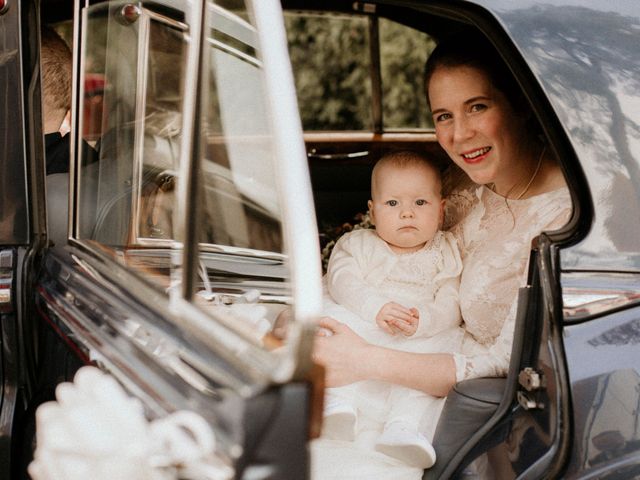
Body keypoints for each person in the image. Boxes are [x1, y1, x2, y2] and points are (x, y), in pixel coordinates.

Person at [312, 32, 572, 478]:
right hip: (388, 344)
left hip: (460, 409)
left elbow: (506, 363)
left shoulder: (564, 219)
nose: (459, 133)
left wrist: (365, 360)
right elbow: (393, 253)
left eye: (477, 107)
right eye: (443, 115)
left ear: (521, 104)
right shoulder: (459, 186)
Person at [321, 151, 463, 468]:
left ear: (441, 211)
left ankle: (404, 428)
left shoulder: (445, 249)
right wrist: (375, 307)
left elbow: (451, 299)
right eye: (393, 204)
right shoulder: (357, 244)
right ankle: (337, 404)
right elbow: (342, 281)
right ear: (372, 211)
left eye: (420, 203)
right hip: (365, 319)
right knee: (334, 326)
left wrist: (425, 321)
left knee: (434, 358)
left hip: (416, 332)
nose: (407, 214)